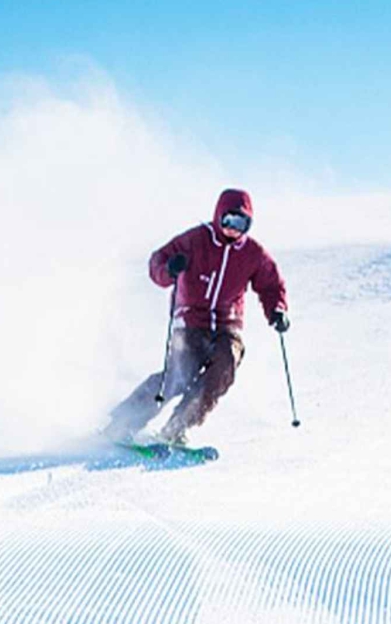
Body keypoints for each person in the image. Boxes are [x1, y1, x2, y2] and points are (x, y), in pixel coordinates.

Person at [103, 188, 289, 447]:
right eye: (229, 220)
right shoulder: (195, 240)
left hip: (227, 326)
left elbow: (271, 285)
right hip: (190, 323)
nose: (234, 229)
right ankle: (123, 422)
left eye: (242, 223)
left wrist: (277, 310)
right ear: (218, 216)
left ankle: (177, 428)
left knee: (225, 367)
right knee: (180, 374)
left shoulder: (253, 254)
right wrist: (169, 269)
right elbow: (158, 262)